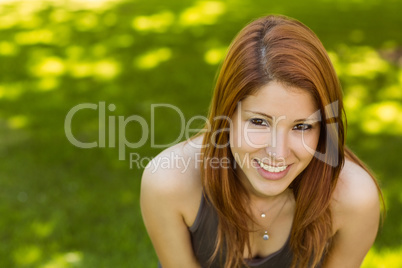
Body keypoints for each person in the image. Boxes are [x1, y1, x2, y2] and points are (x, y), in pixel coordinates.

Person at [140, 15, 383, 268]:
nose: (277, 152)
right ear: (227, 115)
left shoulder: (354, 199)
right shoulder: (168, 183)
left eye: (302, 126)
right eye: (259, 122)